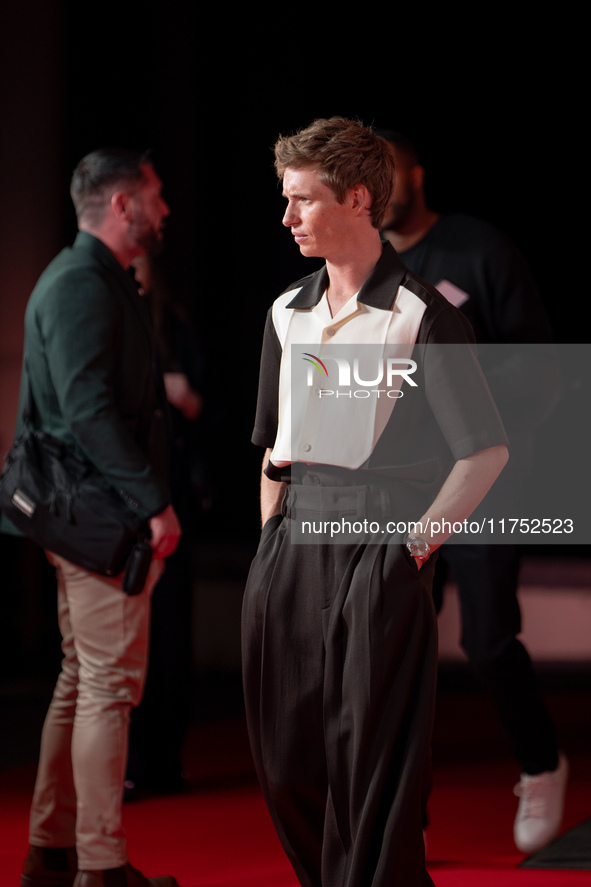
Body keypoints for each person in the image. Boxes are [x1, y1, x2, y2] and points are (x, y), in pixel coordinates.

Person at [241, 116, 509, 887]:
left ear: (357, 197)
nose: (287, 217)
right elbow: (271, 446)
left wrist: (408, 553)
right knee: (286, 759)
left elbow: (485, 452)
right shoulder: (285, 312)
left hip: (379, 547)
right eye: (284, 199)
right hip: (290, 542)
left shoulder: (425, 316)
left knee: (372, 767)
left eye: (301, 200)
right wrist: (270, 544)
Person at [379, 130, 567, 855]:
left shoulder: (477, 249)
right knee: (401, 647)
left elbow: (542, 370)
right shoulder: (370, 268)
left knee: (486, 641)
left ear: (415, 173)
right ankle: (403, 814)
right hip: (403, 489)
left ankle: (540, 763)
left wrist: (459, 391)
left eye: (387, 170)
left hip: (486, 481)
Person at [9, 149, 182, 887]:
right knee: (106, 684)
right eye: (155, 194)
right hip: (98, 516)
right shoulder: (82, 282)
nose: (164, 208)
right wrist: (154, 501)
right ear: (121, 205)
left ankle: (53, 851)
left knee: (81, 678)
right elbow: (87, 412)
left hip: (82, 514)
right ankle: (100, 866)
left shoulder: (89, 277)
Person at [124, 255, 206, 799]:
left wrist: (183, 396)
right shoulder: (101, 318)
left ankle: (166, 760)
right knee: (125, 638)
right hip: (123, 503)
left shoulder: (174, 324)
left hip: (173, 496)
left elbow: (211, 406)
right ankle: (128, 767)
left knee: (172, 634)